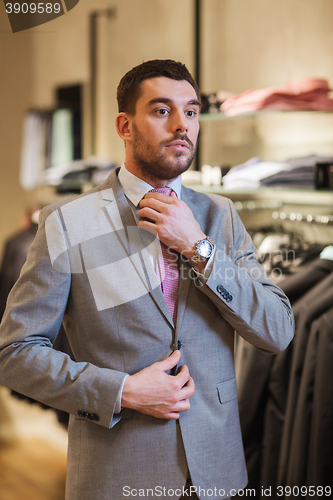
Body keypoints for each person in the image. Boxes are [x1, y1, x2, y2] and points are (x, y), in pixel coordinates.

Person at [0, 59, 294, 500]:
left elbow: (278, 330)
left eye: (191, 112)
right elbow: (15, 353)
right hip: (118, 476)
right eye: (162, 111)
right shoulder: (68, 223)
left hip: (219, 476)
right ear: (125, 124)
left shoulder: (220, 218)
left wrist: (200, 248)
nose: (182, 126)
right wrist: (123, 391)